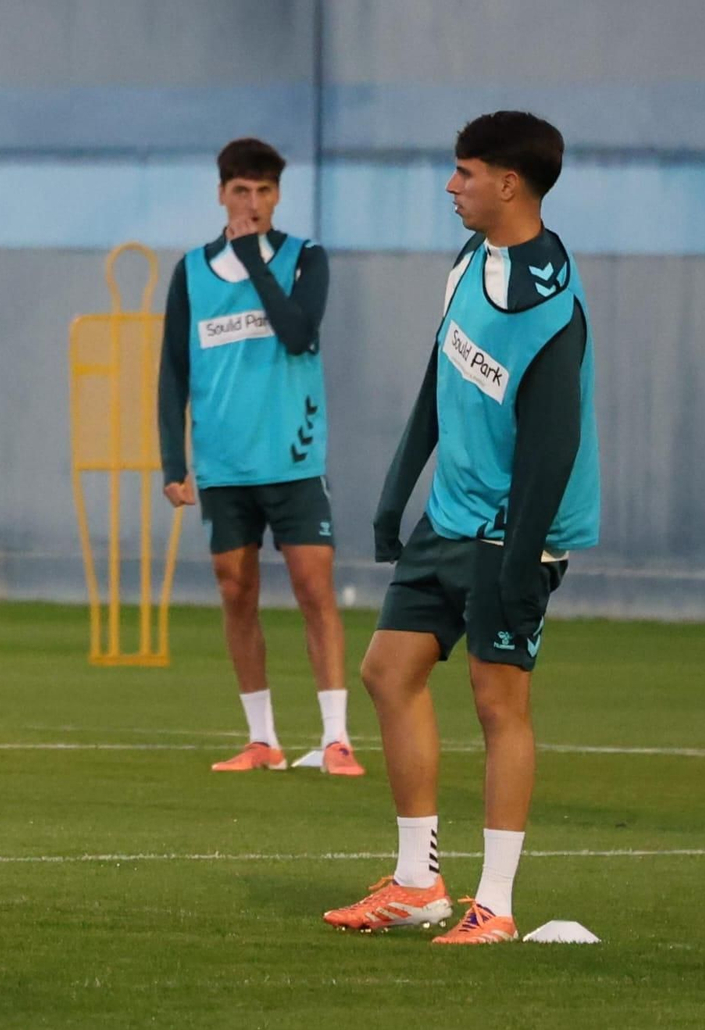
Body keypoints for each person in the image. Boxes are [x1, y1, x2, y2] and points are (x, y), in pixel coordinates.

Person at [324, 111, 600, 944]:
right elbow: (436, 379)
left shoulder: (553, 307)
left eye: (465, 172)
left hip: (514, 530)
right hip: (448, 517)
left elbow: (553, 449)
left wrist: (519, 560)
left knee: (497, 702)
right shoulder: (468, 262)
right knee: (387, 671)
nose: (452, 186)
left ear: (508, 183)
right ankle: (418, 884)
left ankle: (496, 905)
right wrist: (395, 493)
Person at [157, 137, 363, 776]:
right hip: (223, 465)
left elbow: (298, 334)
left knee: (313, 588)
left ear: (277, 195)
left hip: (293, 459)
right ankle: (262, 739)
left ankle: (336, 738)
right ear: (221, 193)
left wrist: (251, 256)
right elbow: (173, 368)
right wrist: (172, 462)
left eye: (264, 191)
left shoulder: (306, 259)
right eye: (241, 190)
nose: (252, 202)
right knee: (235, 590)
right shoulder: (191, 272)